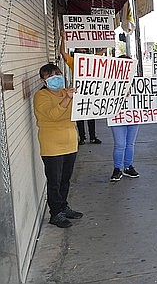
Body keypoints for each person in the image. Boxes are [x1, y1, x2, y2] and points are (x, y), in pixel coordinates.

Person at [33, 63, 84, 228]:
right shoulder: (41, 96)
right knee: (54, 180)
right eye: (51, 76)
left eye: (58, 74)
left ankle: (63, 207)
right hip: (52, 145)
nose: (56, 78)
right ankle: (55, 214)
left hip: (70, 142)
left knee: (65, 179)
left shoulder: (67, 92)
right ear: (43, 81)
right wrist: (67, 98)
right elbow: (52, 115)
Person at [59, 32, 102, 145]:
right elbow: (62, 52)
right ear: (75, 53)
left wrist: (105, 40)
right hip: (77, 92)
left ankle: (92, 137)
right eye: (79, 51)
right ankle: (82, 138)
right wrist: (63, 38)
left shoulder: (90, 60)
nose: (82, 53)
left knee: (91, 115)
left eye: (84, 51)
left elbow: (102, 52)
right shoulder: (73, 62)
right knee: (80, 116)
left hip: (89, 91)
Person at [110, 55, 141, 182]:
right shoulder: (110, 81)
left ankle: (128, 166)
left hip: (134, 115)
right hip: (117, 116)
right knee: (120, 144)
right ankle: (117, 168)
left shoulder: (138, 81)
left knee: (130, 143)